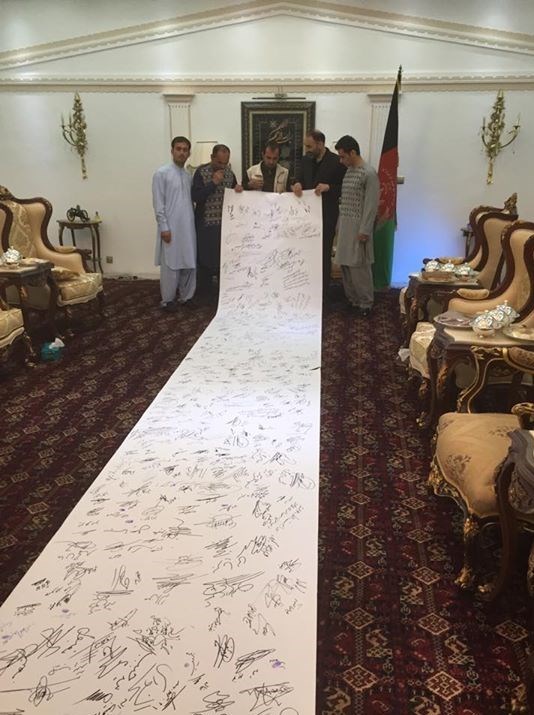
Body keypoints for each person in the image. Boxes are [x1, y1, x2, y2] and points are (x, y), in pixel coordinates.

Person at [291, 130, 346, 297]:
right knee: (305, 254)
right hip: (306, 216)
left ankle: (322, 294)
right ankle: (305, 289)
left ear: (320, 144)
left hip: (327, 216)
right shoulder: (305, 160)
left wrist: (329, 187)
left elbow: (345, 187)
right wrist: (297, 184)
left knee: (323, 255)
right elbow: (298, 179)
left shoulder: (336, 161)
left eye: (309, 146)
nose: (307, 149)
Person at [334, 134, 380, 318]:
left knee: (359, 267)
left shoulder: (369, 173)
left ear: (353, 153)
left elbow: (371, 204)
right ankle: (353, 300)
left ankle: (365, 303)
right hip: (345, 226)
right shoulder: (349, 171)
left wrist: (365, 229)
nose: (341, 160)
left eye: (343, 156)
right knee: (345, 265)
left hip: (359, 228)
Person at [152, 135, 196, 313]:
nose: (182, 153)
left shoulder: (188, 175)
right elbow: (158, 203)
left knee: (189, 261)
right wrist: (164, 227)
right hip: (171, 227)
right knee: (170, 263)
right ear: (172, 151)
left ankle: (186, 297)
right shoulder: (161, 173)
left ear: (189, 153)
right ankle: (168, 299)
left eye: (185, 150)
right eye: (178, 149)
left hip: (188, 226)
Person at [192, 144, 243, 285]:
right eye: (219, 162)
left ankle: (222, 293)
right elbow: (196, 196)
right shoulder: (201, 172)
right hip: (205, 227)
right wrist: (213, 183)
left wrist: (238, 190)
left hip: (224, 228)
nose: (222, 166)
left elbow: (234, 196)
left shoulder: (230, 174)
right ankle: (204, 291)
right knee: (205, 262)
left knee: (223, 262)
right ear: (212, 157)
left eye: (225, 163)